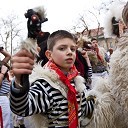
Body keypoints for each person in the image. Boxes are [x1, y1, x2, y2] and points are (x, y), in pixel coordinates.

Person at [10, 30, 95, 128]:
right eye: (62, 48)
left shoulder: (77, 82)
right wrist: (19, 81)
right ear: (49, 55)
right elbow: (21, 108)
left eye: (73, 49)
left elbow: (84, 110)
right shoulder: (45, 84)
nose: (69, 52)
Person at [0, 48, 13, 128]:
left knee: (8, 122)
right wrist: (2, 73)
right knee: (4, 124)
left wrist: (1, 49)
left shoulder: (1, 64)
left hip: (5, 97)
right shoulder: (2, 69)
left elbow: (8, 56)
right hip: (1, 98)